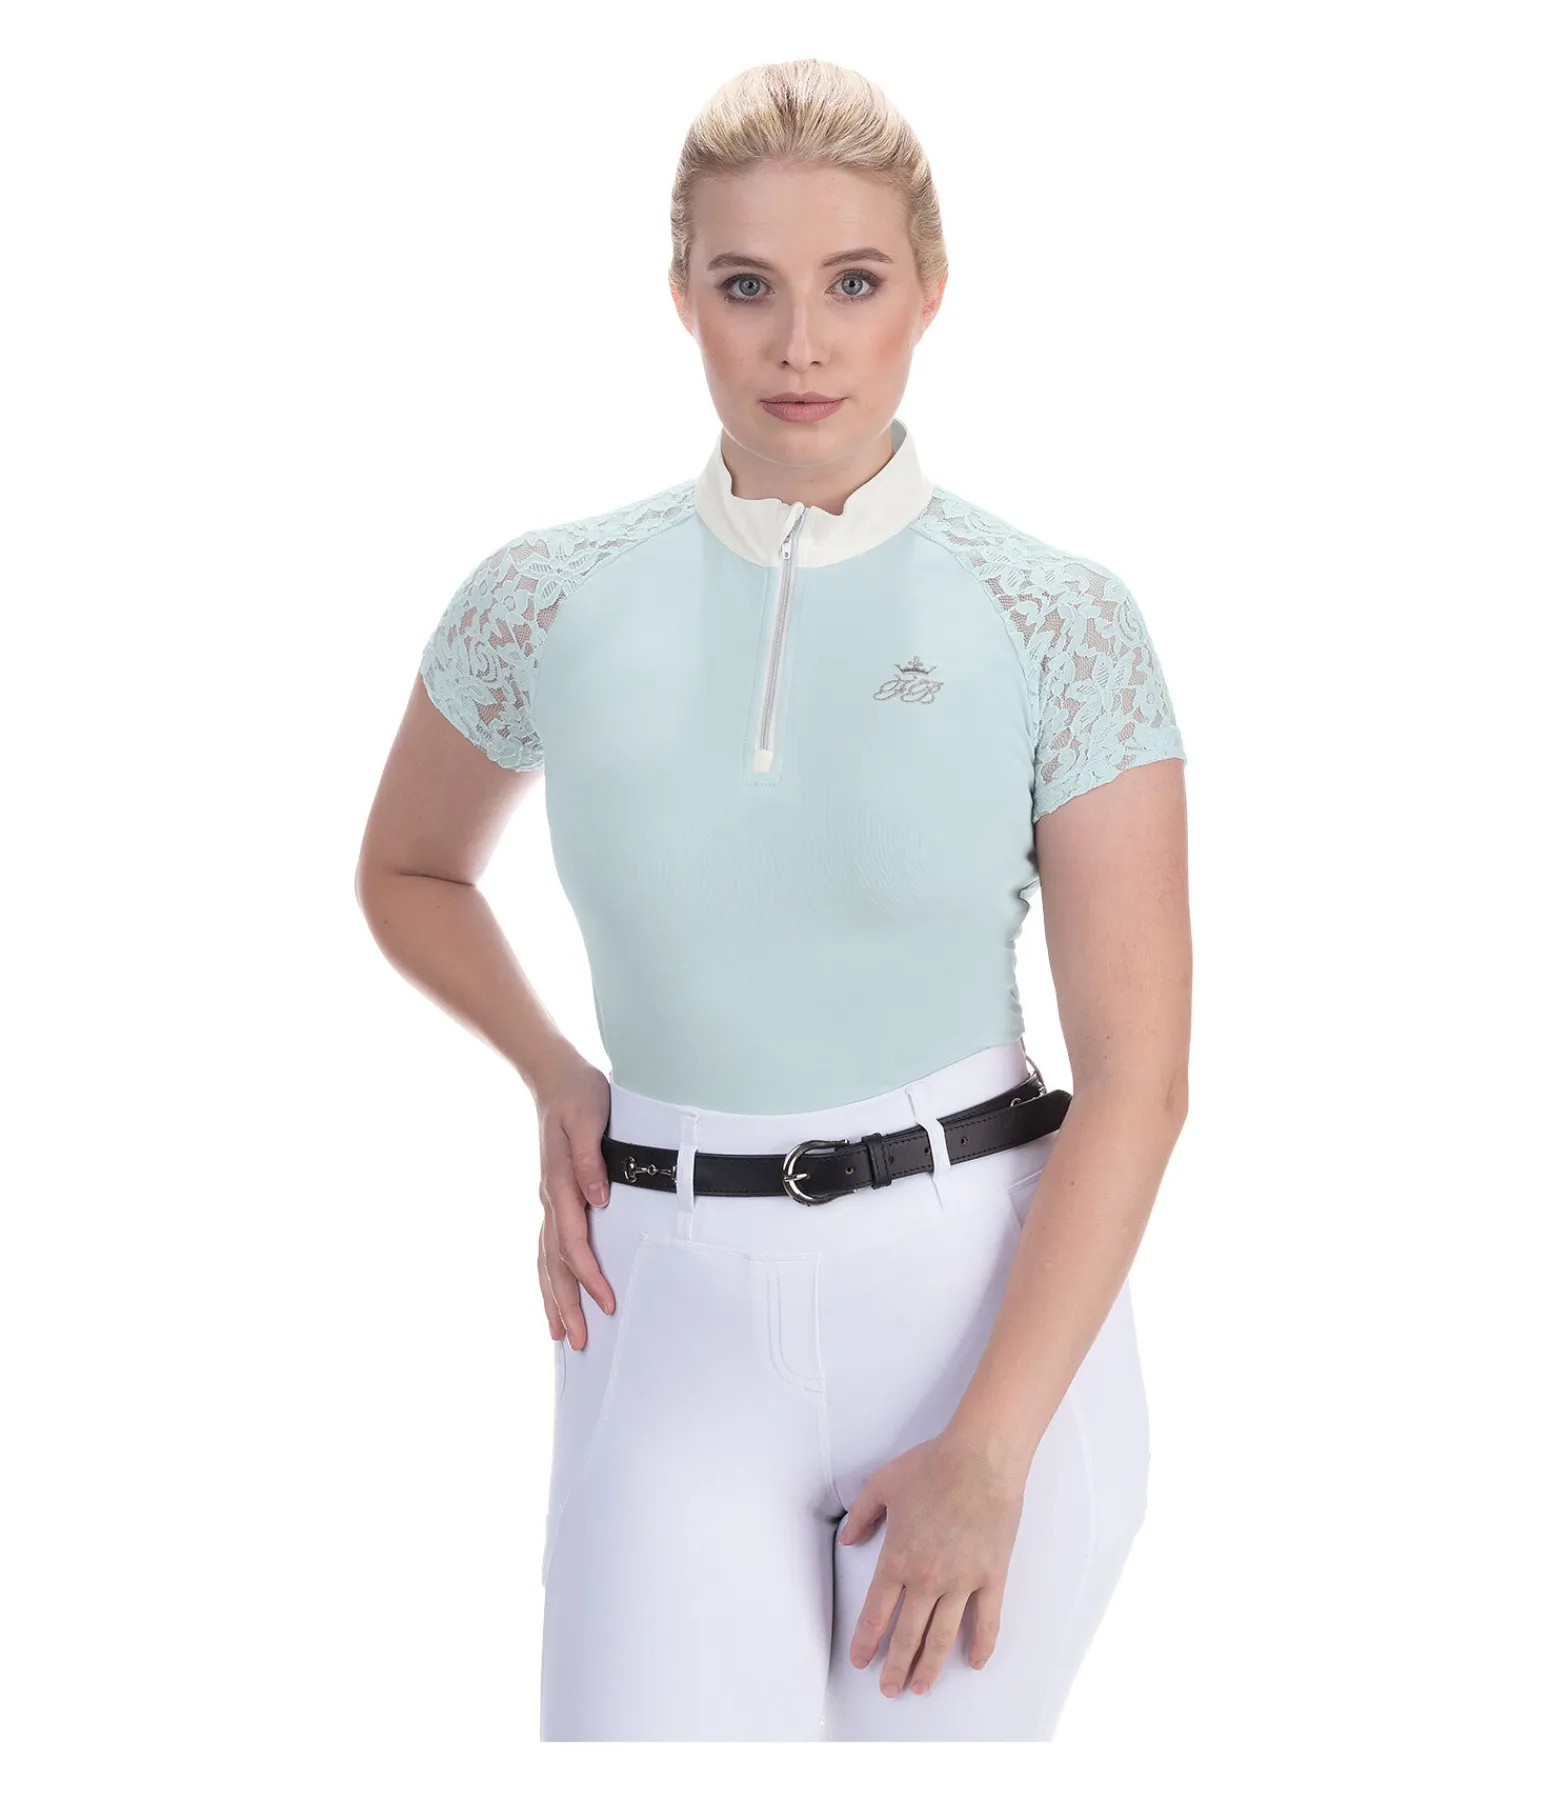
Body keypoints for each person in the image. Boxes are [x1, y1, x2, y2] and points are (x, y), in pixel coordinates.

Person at [357, 57, 1191, 1743]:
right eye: (746, 286)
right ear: (681, 295)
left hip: (982, 1318)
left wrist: (990, 1449)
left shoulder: (1052, 617)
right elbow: (410, 868)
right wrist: (552, 1069)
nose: (800, 343)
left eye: (851, 283)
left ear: (927, 292)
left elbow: (1140, 1080)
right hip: (662, 1314)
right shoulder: (547, 598)